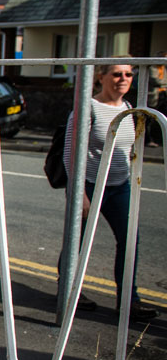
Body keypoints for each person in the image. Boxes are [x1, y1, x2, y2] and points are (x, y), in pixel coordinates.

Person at [59, 63, 157, 322]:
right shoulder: (87, 109)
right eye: (116, 74)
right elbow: (70, 153)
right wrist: (79, 192)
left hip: (119, 186)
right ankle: (68, 292)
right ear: (101, 77)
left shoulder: (129, 110)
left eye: (128, 74)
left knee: (130, 241)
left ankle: (129, 301)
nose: (123, 79)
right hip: (89, 184)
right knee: (77, 242)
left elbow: (131, 150)